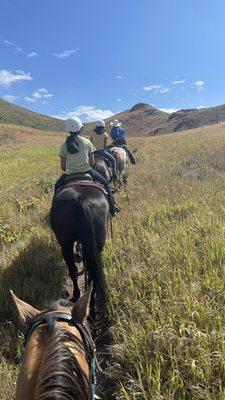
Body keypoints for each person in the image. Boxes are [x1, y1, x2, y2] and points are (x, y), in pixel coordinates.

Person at [55, 117, 120, 216]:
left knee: (57, 186)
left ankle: (53, 211)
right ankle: (112, 209)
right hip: (87, 171)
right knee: (105, 183)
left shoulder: (64, 145)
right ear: (80, 129)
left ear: (68, 130)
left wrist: (71, 170)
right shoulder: (87, 142)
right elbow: (92, 162)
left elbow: (63, 167)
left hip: (69, 173)